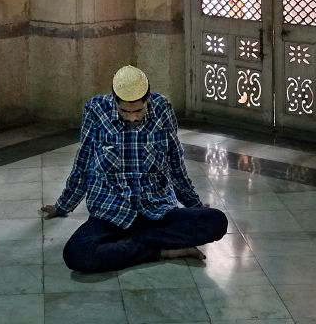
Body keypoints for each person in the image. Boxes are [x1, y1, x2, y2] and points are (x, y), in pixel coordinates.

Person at [41, 65, 229, 273]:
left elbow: (176, 165)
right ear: (115, 100)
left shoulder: (162, 108)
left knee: (216, 221)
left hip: (157, 210)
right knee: (77, 254)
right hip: (111, 213)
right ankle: (161, 251)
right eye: (124, 111)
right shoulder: (95, 110)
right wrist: (63, 205)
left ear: (148, 100)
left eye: (138, 110)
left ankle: (125, 244)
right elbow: (83, 163)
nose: (132, 118)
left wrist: (195, 206)